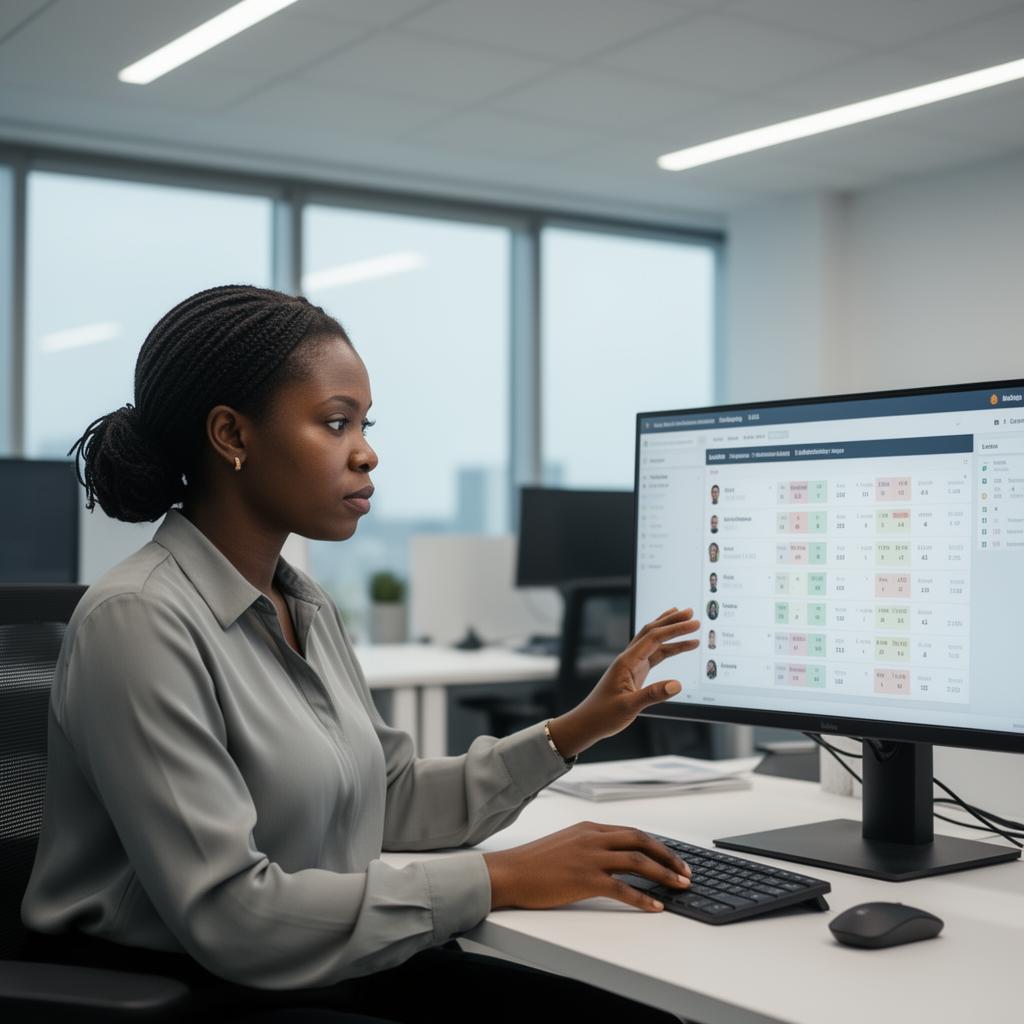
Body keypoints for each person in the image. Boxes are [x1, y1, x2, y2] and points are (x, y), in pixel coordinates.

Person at [21, 286, 700, 1024]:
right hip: (190, 987)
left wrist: (573, 729)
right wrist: (501, 878)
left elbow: (391, 797)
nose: (368, 451)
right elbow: (231, 915)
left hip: (317, 959)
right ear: (231, 435)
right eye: (336, 422)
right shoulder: (140, 621)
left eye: (364, 425)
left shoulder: (301, 604)